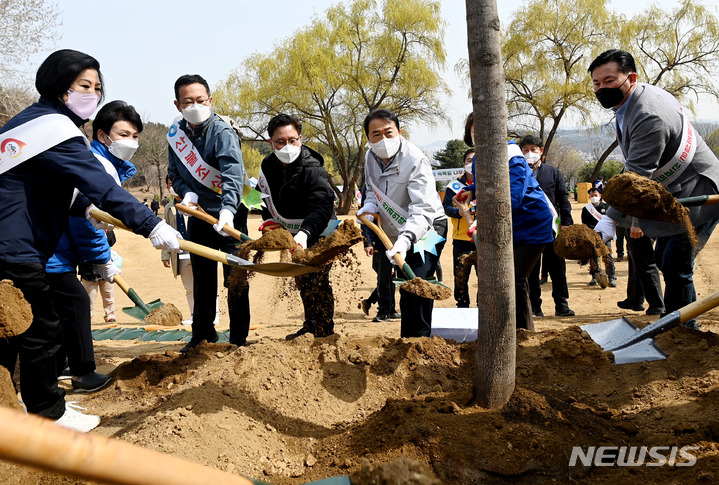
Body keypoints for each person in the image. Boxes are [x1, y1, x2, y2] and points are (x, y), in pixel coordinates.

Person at [0, 49, 180, 432]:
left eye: (98, 87)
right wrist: (152, 225)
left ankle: (11, 408)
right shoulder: (54, 130)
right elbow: (100, 186)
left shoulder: (28, 123)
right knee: (41, 328)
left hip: (12, 244)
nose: (93, 95)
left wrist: (80, 207)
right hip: (15, 248)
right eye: (84, 86)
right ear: (58, 84)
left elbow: (43, 184)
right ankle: (48, 414)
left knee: (8, 329)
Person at [589, 49, 719, 328]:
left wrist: (610, 217)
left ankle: (680, 329)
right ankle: (677, 322)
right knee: (665, 259)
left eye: (609, 81)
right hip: (674, 192)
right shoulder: (628, 103)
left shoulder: (649, 115)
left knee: (675, 264)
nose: (602, 89)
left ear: (631, 78)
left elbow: (635, 175)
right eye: (596, 84)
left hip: (699, 188)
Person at [47, 100, 143, 393]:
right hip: (50, 252)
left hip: (57, 251)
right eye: (124, 134)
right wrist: (102, 259)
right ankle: (82, 373)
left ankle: (61, 363)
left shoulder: (100, 162)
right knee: (75, 302)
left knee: (59, 309)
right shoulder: (98, 165)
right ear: (102, 135)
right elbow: (84, 220)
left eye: (135, 136)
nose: (131, 142)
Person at [167, 74, 249, 351]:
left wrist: (228, 209)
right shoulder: (175, 136)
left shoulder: (222, 132)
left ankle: (238, 338)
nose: (195, 105)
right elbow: (173, 174)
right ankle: (203, 334)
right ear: (178, 105)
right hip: (200, 217)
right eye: (188, 101)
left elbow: (232, 174)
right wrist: (185, 192)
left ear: (210, 100)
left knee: (235, 280)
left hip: (229, 216)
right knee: (202, 279)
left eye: (200, 100)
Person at [456, 114, 554, 331]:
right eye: (474, 133)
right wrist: (471, 191)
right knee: (515, 280)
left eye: (484, 131)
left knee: (513, 279)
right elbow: (489, 183)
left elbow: (513, 197)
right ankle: (520, 329)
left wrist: (485, 221)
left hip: (531, 227)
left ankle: (521, 333)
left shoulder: (512, 156)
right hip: (511, 228)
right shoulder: (483, 156)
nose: (479, 136)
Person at [357, 109, 447, 338]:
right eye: (376, 134)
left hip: (429, 228)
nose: (383, 139)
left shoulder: (415, 160)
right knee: (407, 286)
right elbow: (372, 192)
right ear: (368, 138)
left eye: (388, 132)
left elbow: (422, 209)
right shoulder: (370, 158)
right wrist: (369, 207)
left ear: (398, 132)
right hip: (396, 232)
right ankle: (410, 339)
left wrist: (406, 240)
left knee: (416, 284)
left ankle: (419, 342)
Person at [256, 114, 337, 339]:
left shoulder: (313, 169)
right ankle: (311, 325)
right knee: (302, 278)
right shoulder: (268, 164)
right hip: (293, 232)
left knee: (316, 278)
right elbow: (264, 197)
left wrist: (305, 233)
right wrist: (268, 220)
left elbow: (321, 206)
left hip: (319, 230)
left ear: (300, 139)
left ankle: (323, 331)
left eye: (292, 140)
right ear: (271, 143)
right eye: (280, 141)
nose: (287, 146)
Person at [520, 134, 576, 316]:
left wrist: (566, 223)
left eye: (533, 150)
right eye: (525, 150)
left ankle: (562, 305)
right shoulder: (518, 174)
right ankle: (535, 307)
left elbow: (563, 199)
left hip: (553, 228)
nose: (530, 153)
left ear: (541, 151)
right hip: (529, 231)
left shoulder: (553, 172)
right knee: (531, 271)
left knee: (557, 268)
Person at [162, 175, 220, 326]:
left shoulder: (198, 205)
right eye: (169, 184)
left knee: (205, 284)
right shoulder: (169, 208)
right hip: (180, 253)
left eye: (174, 183)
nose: (172, 187)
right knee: (189, 288)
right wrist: (165, 254)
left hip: (199, 249)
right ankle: (195, 315)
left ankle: (214, 315)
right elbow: (166, 231)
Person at [442, 148, 477, 308]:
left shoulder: (486, 182)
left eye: (475, 160)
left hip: (483, 238)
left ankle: (483, 307)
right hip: (461, 239)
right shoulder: (455, 186)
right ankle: (462, 305)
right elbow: (446, 207)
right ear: (464, 164)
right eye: (469, 160)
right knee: (460, 277)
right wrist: (460, 212)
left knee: (485, 277)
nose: (472, 163)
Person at [359, 186, 400, 321]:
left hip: (400, 239)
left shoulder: (400, 185)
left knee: (393, 277)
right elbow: (366, 219)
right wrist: (368, 243)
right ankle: (383, 311)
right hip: (381, 240)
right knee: (384, 277)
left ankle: (391, 309)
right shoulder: (371, 188)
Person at [581, 187, 617, 287]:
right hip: (593, 236)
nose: (594, 197)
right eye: (592, 196)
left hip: (606, 235)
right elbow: (585, 223)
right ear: (589, 197)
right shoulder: (586, 209)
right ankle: (594, 277)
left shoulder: (607, 207)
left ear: (600, 196)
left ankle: (611, 277)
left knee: (608, 256)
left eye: (595, 195)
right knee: (593, 256)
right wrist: (594, 230)